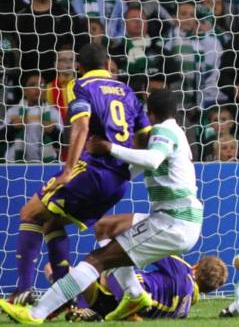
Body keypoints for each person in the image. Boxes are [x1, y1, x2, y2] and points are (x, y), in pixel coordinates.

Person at [0, 89, 203, 323]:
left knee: (97, 260)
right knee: (109, 231)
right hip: (176, 219)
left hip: (173, 221)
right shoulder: (176, 132)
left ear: (150, 113)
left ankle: (36, 313)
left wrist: (109, 148)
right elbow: (134, 169)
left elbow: (152, 159)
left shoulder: (163, 131)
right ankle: (135, 295)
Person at [7, 43, 151, 307]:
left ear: (79, 68)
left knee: (29, 213)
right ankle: (71, 302)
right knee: (53, 223)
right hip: (119, 181)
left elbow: (82, 125)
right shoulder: (128, 91)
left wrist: (69, 170)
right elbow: (145, 138)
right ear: (108, 66)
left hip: (91, 171)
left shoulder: (81, 86)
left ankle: (23, 290)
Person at [58, 213, 227, 321]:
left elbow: (156, 250)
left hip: (126, 292)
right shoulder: (184, 311)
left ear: (196, 266)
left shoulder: (183, 270)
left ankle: (78, 306)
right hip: (120, 309)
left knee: (102, 265)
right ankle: (88, 311)